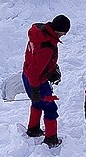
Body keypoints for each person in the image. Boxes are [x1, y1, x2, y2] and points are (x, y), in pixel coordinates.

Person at [23, 15, 71, 147]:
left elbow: (34, 61)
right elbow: (35, 71)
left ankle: (33, 129)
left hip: (26, 76)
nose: (64, 35)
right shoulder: (47, 47)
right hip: (38, 82)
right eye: (64, 32)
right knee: (50, 108)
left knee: (36, 103)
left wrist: (50, 68)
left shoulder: (39, 33)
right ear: (59, 31)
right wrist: (35, 89)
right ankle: (51, 138)